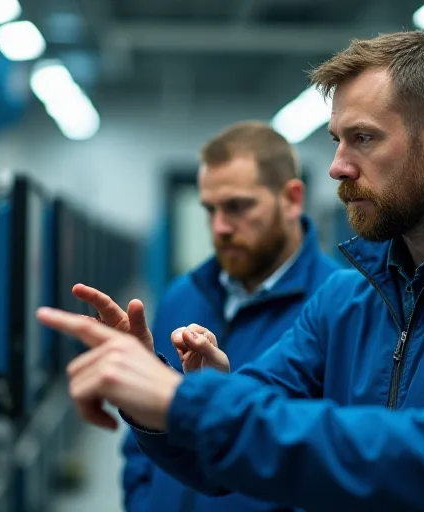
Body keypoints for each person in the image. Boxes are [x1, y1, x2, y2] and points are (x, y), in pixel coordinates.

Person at [45, 30, 424, 510]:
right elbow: (218, 457)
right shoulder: (343, 302)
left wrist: (193, 403)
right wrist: (160, 392)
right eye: (337, 141)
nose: (336, 167)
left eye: (363, 139)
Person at [112, 121, 341, 512]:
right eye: (210, 209)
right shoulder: (183, 295)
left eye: (237, 206)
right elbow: (141, 442)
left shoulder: (339, 305)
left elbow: (332, 463)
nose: (219, 227)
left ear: (292, 199)